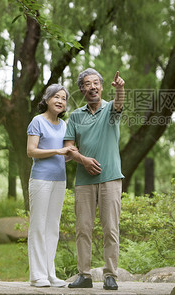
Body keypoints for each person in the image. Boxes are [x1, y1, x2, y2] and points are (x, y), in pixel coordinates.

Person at [64, 68, 125, 291]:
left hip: (110, 179)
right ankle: (84, 275)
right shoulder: (76, 116)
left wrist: (120, 89)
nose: (92, 87)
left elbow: (119, 103)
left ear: (101, 86)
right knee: (83, 229)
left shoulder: (110, 109)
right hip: (84, 182)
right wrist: (84, 160)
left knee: (110, 228)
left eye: (96, 83)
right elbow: (68, 149)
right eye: (87, 84)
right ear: (82, 89)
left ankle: (110, 275)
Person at [26, 84, 77, 288]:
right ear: (46, 99)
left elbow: (65, 153)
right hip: (40, 180)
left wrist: (70, 154)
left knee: (52, 227)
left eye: (64, 98)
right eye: (56, 97)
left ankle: (49, 273)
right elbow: (31, 151)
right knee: (38, 225)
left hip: (59, 180)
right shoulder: (37, 121)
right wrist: (57, 151)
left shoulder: (64, 125)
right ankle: (37, 275)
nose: (60, 101)